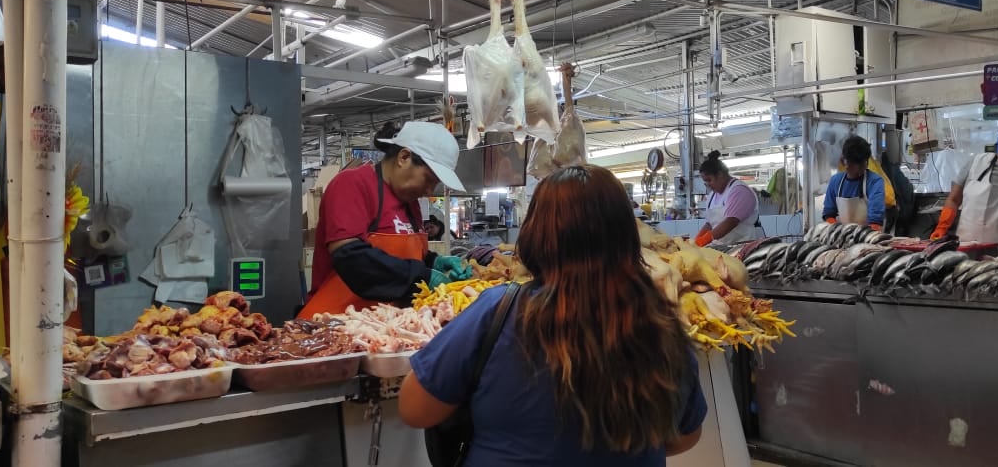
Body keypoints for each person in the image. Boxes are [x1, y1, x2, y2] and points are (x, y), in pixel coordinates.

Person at [399, 165, 707, 465]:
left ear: (536, 234)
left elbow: (414, 409)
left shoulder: (498, 311)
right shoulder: (661, 322)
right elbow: (685, 436)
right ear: (627, 235)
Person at [298, 122, 472, 318]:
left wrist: (434, 261)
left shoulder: (410, 202)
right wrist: (423, 276)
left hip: (384, 329)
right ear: (404, 157)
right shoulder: (351, 185)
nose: (430, 191)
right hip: (333, 324)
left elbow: (401, 256)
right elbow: (353, 260)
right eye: (429, 180)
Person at [695, 151, 760, 246]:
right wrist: (696, 240)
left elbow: (731, 222)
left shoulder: (739, 191)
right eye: (705, 182)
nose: (708, 185)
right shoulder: (712, 196)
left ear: (720, 174)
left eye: (709, 180)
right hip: (722, 246)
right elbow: (709, 224)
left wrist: (704, 240)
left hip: (743, 245)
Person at [822, 136, 887, 231]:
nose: (863, 167)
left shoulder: (874, 181)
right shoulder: (835, 181)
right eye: (850, 162)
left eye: (863, 163)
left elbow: (875, 220)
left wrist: (864, 238)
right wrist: (839, 232)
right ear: (844, 161)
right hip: (842, 236)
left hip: (868, 236)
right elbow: (828, 214)